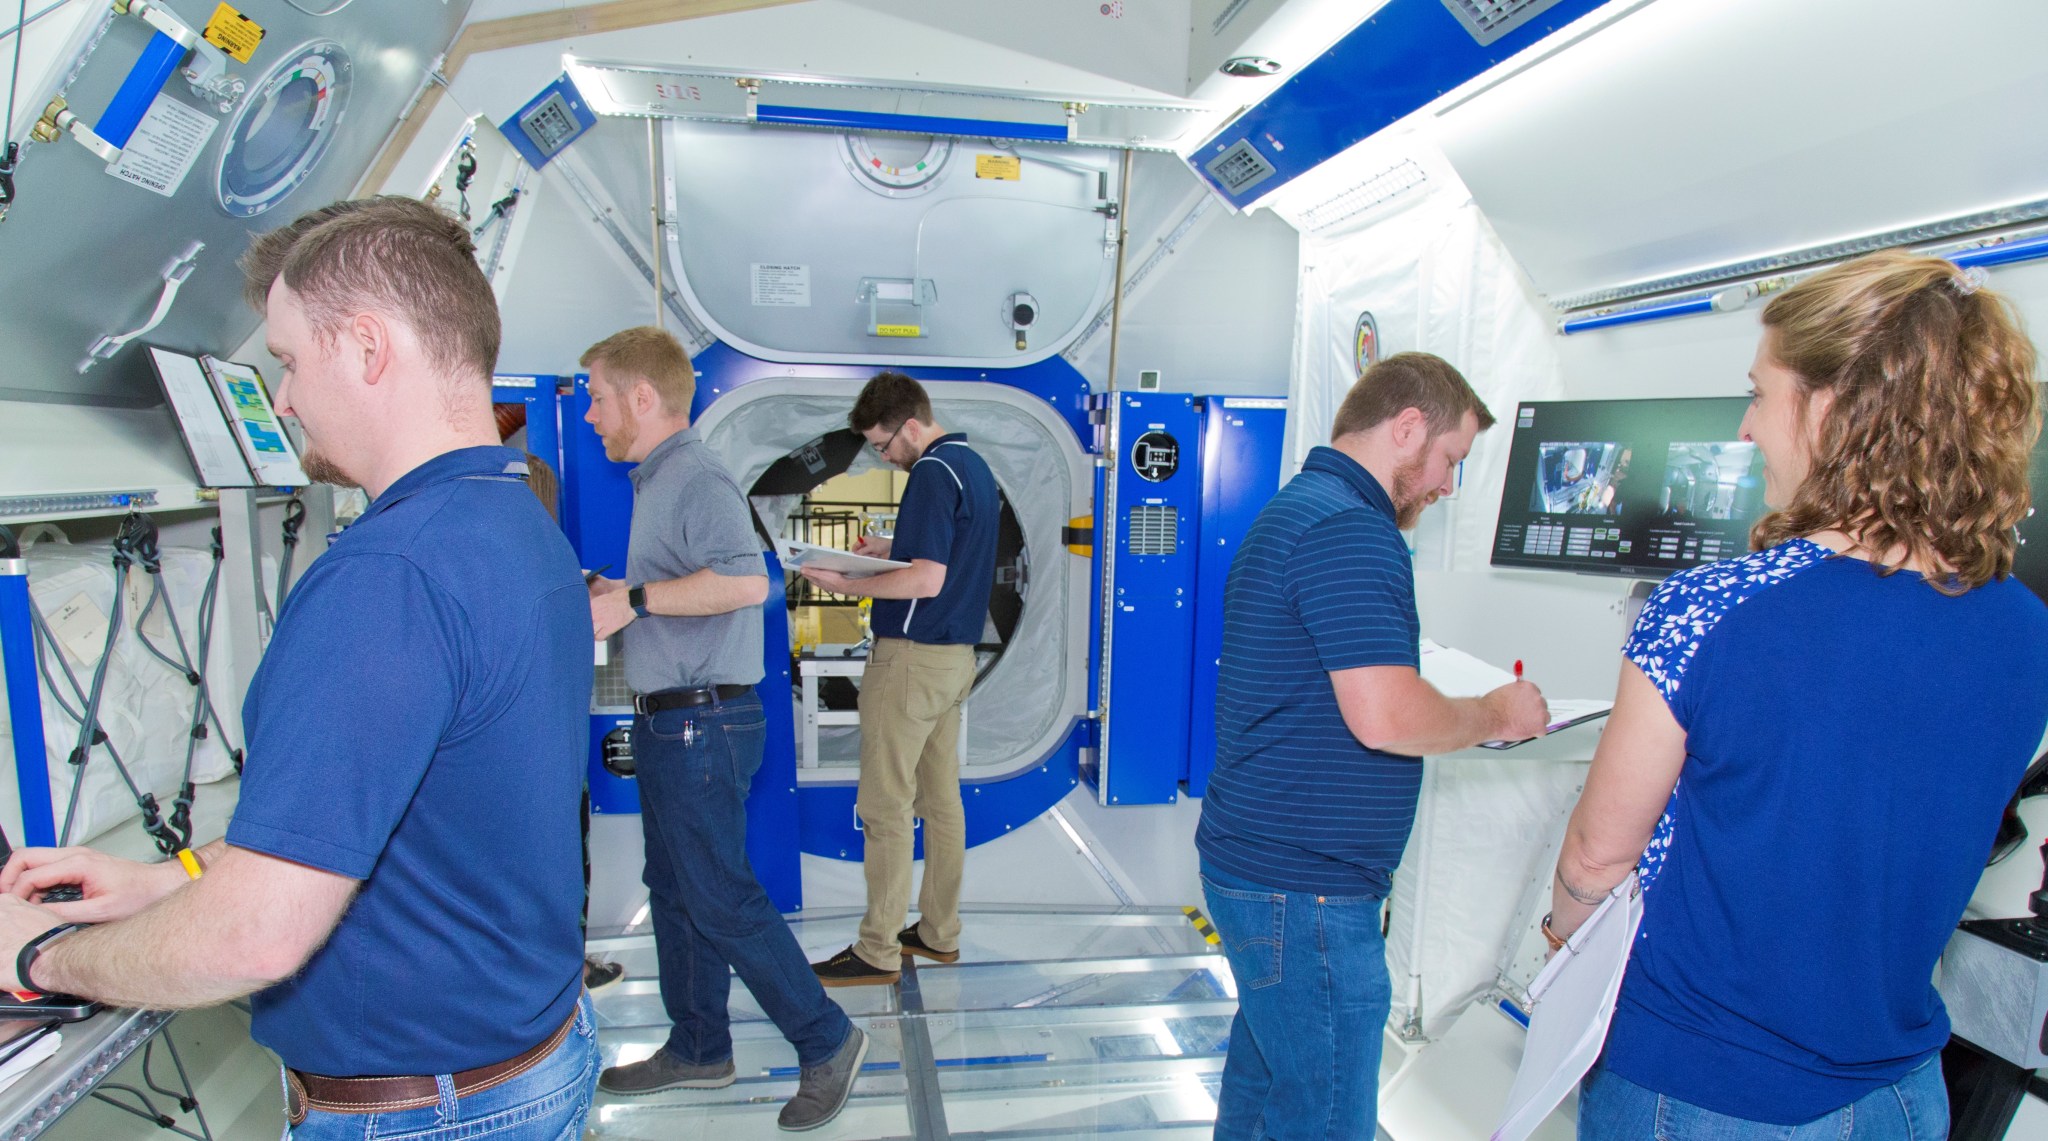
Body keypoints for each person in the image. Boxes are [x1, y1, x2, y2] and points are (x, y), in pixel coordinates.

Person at [0, 197, 600, 1139]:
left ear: (366, 347)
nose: (281, 398)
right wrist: (163, 881)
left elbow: (255, 936)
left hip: (430, 1113)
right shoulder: (516, 522)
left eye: (286, 359)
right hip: (531, 1061)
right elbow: (419, 835)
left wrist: (43, 955)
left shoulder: (385, 576)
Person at [1549, 251, 2048, 1139]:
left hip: (1700, 1087)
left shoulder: (1709, 609)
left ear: (1837, 408)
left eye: (1760, 393)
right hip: (1899, 1093)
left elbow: (1596, 856)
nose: (1745, 429)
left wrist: (1566, 948)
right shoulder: (2024, 627)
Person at [1195, 351, 1550, 1141]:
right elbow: (1385, 716)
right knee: (1323, 1119)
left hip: (1262, 871)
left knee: (1264, 1092)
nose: (1447, 486)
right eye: (1450, 460)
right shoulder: (1351, 528)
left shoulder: (1298, 508)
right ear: (1409, 427)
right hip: (1305, 894)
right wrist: (1495, 711)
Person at [577, 327, 865, 1131]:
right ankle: (700, 1044)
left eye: (598, 396)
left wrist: (631, 602)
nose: (591, 414)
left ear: (642, 396)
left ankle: (828, 1039)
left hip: (701, 725)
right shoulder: (657, 480)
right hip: (680, 725)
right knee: (674, 889)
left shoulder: (695, 476)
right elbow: (684, 580)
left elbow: (744, 580)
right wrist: (616, 586)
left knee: (722, 896)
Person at [799, 370, 999, 987]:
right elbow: (947, 556)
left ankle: (877, 948)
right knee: (940, 802)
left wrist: (846, 581)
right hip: (955, 659)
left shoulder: (933, 474)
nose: (884, 456)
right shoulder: (975, 466)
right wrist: (890, 548)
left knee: (884, 805)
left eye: (884, 446)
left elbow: (927, 580)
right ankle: (939, 933)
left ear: (911, 426)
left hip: (910, 659)